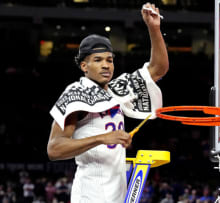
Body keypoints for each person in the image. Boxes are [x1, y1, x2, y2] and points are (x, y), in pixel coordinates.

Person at [46, 3, 168, 203]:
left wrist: (153, 28)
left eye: (109, 60)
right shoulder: (76, 93)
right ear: (84, 66)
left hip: (117, 192)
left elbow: (158, 69)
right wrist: (102, 138)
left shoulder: (117, 90)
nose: (105, 65)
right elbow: (54, 149)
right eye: (98, 60)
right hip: (90, 194)